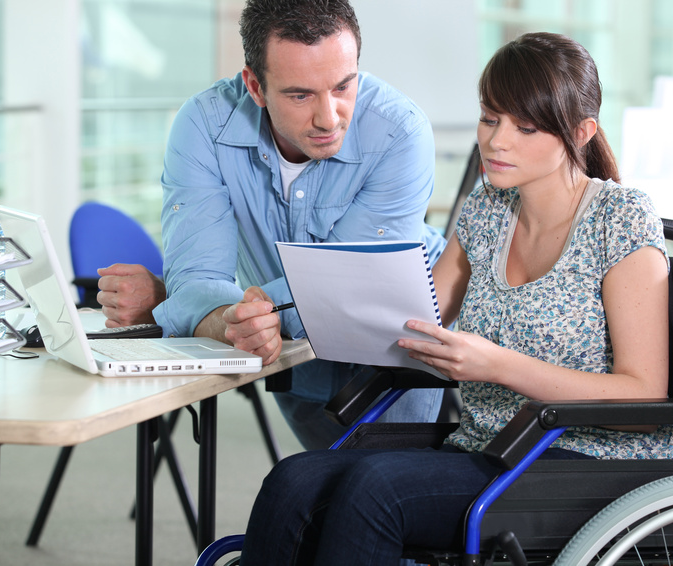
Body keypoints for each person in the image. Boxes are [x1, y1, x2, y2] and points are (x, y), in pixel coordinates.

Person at [238, 32, 673, 565]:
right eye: (490, 119)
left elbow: (643, 400)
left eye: (525, 128)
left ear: (581, 132)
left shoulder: (621, 218)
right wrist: (316, 301)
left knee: (376, 490)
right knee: (291, 482)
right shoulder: (488, 208)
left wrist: (497, 365)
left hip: (588, 462)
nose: (496, 141)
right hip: (487, 449)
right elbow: (419, 320)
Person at [95, 0, 446, 450]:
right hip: (286, 351)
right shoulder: (203, 126)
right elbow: (197, 276)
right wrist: (233, 320)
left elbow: (352, 282)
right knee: (325, 484)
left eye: (343, 86)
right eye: (300, 95)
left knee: (388, 484)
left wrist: (223, 311)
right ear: (255, 87)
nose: (329, 117)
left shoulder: (400, 131)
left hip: (396, 341)